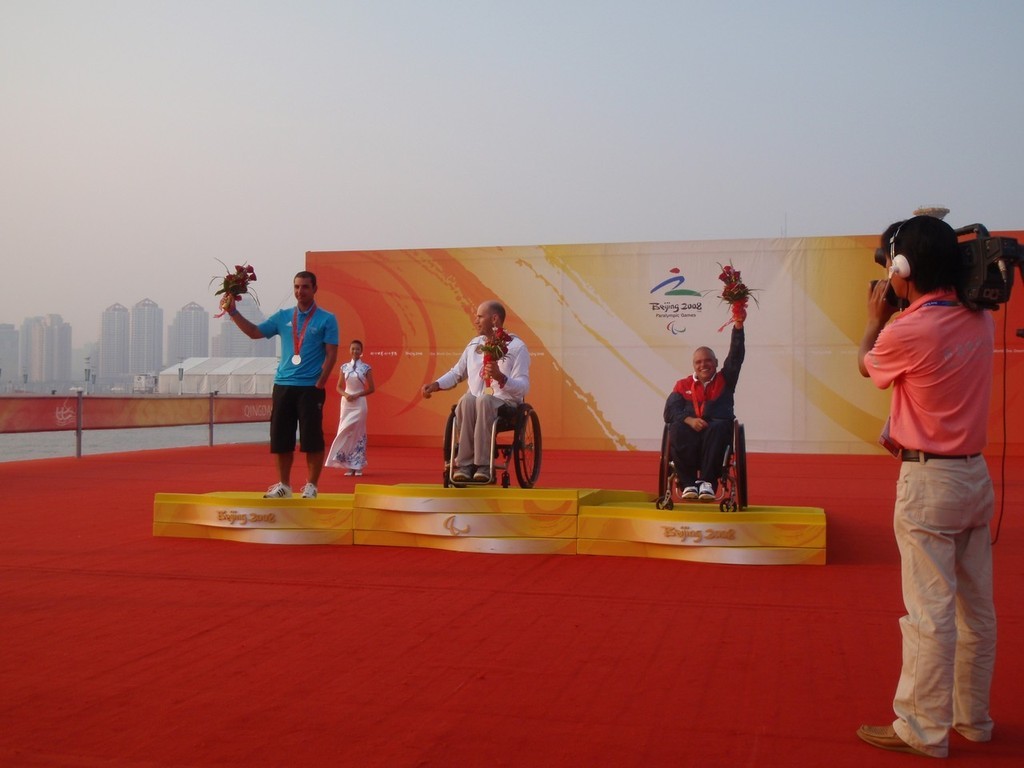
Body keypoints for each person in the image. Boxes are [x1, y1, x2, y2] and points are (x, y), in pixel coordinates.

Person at [856, 215, 996, 758]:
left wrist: (874, 317)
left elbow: (867, 366)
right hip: (974, 476)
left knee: (930, 613)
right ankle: (973, 718)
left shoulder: (906, 330)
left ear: (900, 268)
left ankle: (921, 727)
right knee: (977, 610)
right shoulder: (979, 317)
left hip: (929, 482)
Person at [222, 271, 339, 499]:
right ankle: (284, 485)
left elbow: (332, 353)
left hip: (310, 388)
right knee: (281, 438)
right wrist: (233, 312)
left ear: (315, 289)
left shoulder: (327, 319)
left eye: (305, 287)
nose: (300, 291)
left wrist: (321, 380)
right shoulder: (283, 316)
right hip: (283, 385)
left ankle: (312, 486)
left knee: (312, 438)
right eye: (296, 287)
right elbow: (255, 333)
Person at [420, 300, 530, 483]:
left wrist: (501, 377)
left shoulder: (517, 347)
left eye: (480, 316)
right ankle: (464, 465)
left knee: (483, 401)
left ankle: (484, 466)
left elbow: (523, 386)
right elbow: (457, 373)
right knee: (466, 400)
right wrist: (436, 385)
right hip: (478, 400)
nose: (475, 320)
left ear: (494, 319)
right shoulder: (474, 345)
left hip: (505, 402)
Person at [663, 319, 745, 501]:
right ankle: (688, 483)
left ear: (716, 362)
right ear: (694, 365)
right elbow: (669, 411)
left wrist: (738, 326)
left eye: (708, 360)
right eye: (698, 362)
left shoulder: (726, 379)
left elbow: (736, 356)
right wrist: (689, 420)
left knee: (718, 426)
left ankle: (707, 482)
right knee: (676, 427)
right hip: (689, 434)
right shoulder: (682, 385)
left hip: (716, 434)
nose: (703, 365)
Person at [325, 339, 375, 476]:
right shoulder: (344, 367)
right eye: (353, 349)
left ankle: (358, 465)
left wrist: (358, 394)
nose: (355, 351)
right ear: (349, 350)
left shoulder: (366, 368)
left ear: (361, 351)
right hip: (346, 403)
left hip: (359, 403)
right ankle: (347, 464)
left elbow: (371, 388)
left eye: (358, 349)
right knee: (344, 431)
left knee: (358, 432)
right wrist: (346, 395)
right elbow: (339, 387)